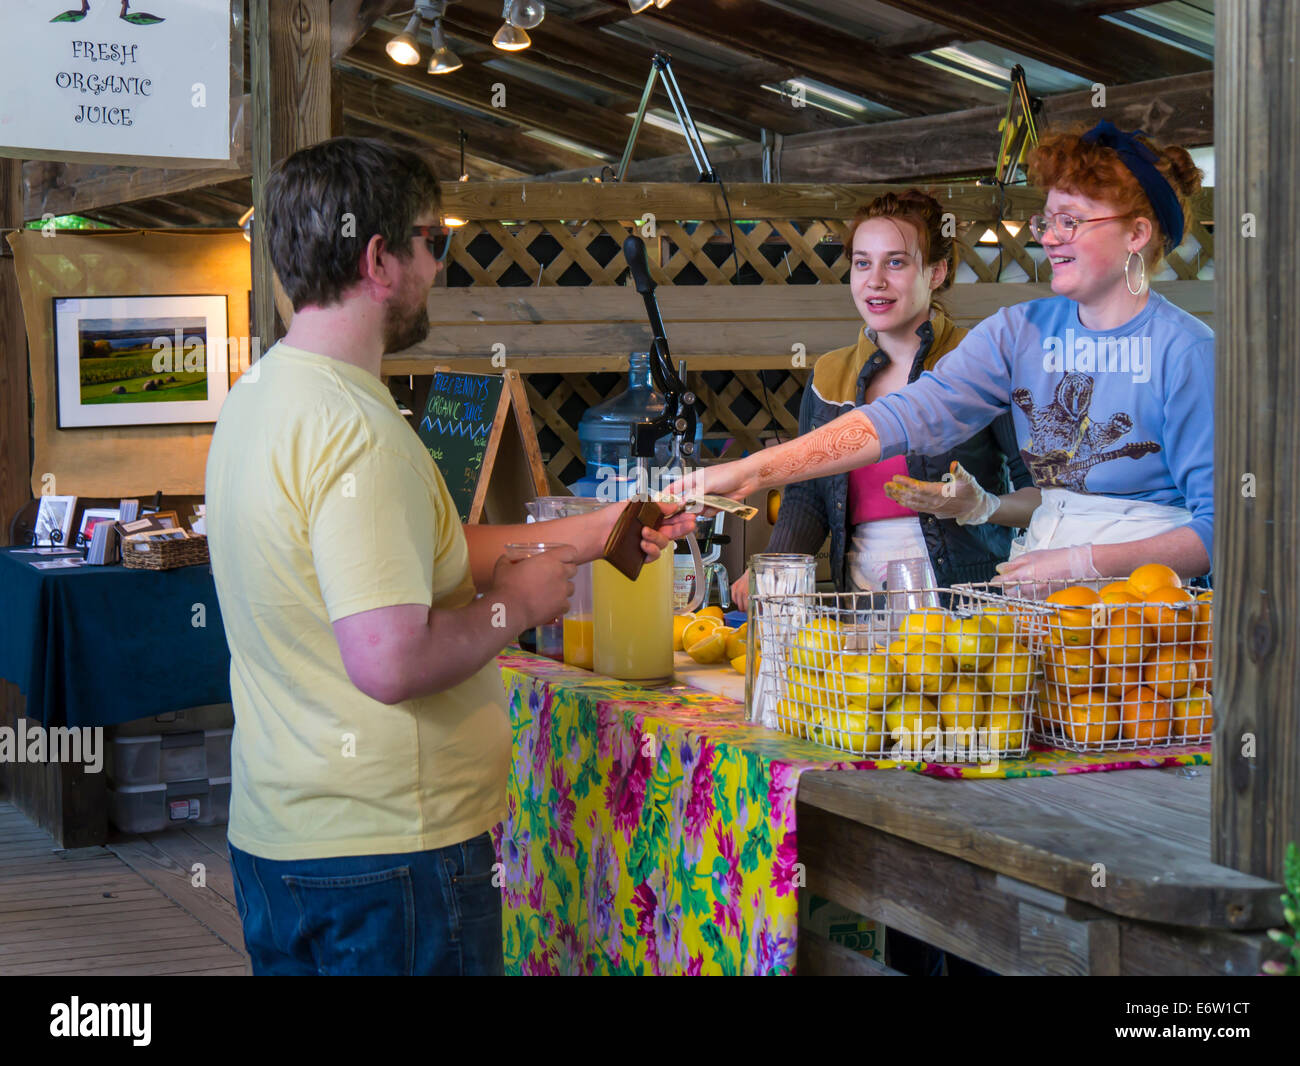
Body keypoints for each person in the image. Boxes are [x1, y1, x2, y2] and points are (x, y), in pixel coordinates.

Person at [205, 137, 692, 976]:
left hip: (284, 838)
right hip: (391, 855)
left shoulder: (262, 397)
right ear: (379, 258)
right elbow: (390, 660)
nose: (442, 265)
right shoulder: (362, 437)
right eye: (437, 242)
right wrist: (519, 607)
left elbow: (425, 554)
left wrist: (597, 528)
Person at [681, 122, 1212, 582]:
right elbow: (902, 416)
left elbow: (1224, 532)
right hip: (1044, 594)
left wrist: (1085, 563)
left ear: (1137, 234)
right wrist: (753, 470)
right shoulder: (1017, 332)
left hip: (1153, 618)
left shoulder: (1186, 352)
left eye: (1071, 221)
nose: (1049, 238)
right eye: (1046, 221)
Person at [731, 189, 1039, 610]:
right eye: (862, 263)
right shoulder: (829, 375)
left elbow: (1044, 496)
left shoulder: (981, 365)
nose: (875, 280)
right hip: (862, 603)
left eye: (896, 262)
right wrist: (774, 567)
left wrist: (984, 506)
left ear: (936, 272)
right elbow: (807, 497)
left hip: (969, 606)